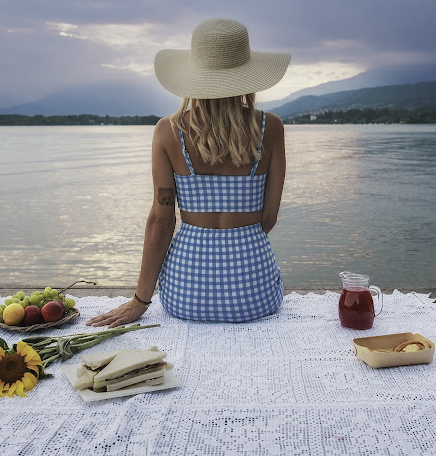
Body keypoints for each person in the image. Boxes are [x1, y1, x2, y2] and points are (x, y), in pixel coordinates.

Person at [87, 18, 290, 327]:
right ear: (247, 75)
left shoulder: (168, 131)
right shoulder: (270, 128)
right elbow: (269, 219)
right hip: (255, 294)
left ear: (193, 75)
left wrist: (140, 301)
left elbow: (162, 221)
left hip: (185, 294)